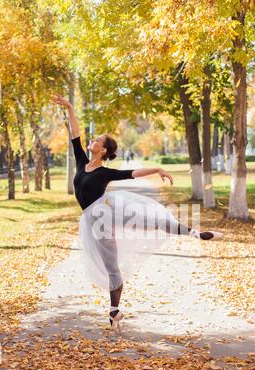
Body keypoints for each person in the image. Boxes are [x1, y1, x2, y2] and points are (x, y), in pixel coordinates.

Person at [52, 94, 223, 330]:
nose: (92, 140)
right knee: (112, 266)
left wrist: (158, 169)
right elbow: (75, 134)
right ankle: (114, 311)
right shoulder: (82, 162)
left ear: (103, 150)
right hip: (94, 220)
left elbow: (133, 173)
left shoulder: (106, 172)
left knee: (151, 220)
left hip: (107, 210)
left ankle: (195, 233)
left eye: (98, 140)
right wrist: (70, 107)